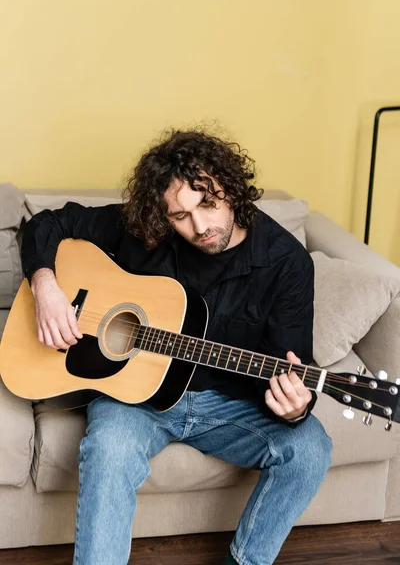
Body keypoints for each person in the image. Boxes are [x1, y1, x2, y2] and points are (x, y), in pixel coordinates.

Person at [21, 129, 332, 565]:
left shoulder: (286, 262)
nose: (200, 227)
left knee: (312, 448)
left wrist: (295, 407)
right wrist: (46, 284)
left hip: (230, 406)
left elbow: (290, 369)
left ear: (231, 187)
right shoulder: (143, 230)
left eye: (208, 203)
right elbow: (46, 223)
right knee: (109, 448)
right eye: (180, 215)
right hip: (137, 398)